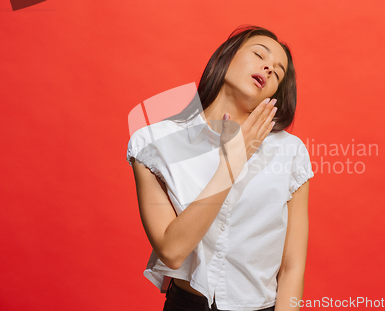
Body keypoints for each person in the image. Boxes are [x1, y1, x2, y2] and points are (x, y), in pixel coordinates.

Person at [126, 25, 314, 311]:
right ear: (226, 57)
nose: (267, 67)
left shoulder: (290, 152)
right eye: (259, 54)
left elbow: (291, 268)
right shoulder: (153, 143)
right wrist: (234, 161)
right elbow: (173, 251)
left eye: (277, 72)